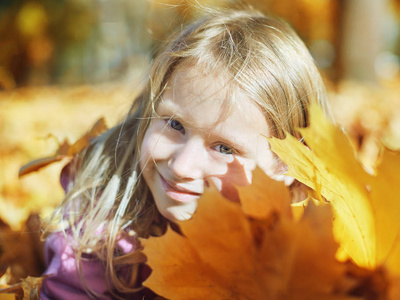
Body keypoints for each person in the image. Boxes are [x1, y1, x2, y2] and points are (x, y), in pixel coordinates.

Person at [40, 6, 332, 299]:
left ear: (288, 165)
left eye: (224, 148)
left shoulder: (313, 248)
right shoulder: (101, 229)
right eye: (175, 124)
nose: (182, 166)